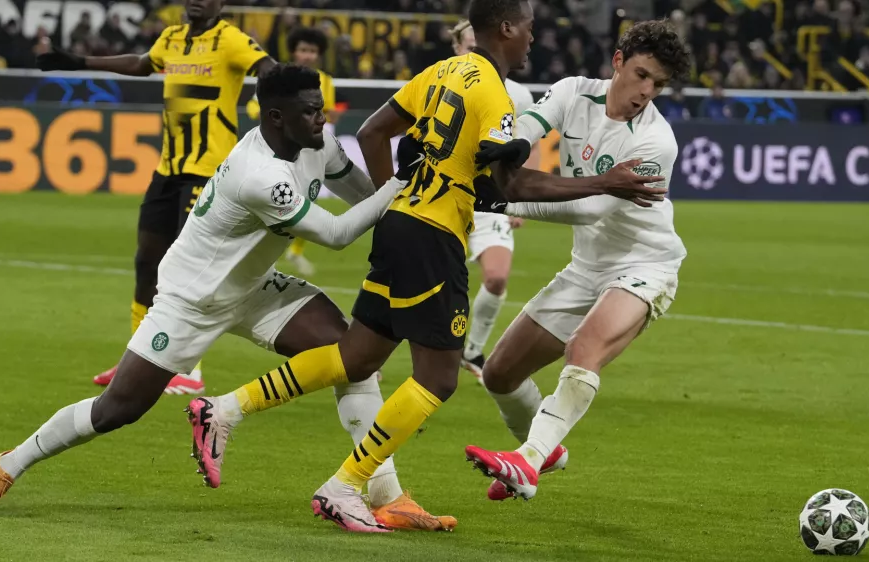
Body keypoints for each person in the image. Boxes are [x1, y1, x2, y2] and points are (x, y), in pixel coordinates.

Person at [186, 0, 669, 533]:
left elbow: (372, 132)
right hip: (435, 237)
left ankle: (225, 408)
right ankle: (346, 484)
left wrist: (391, 201)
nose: (534, 37)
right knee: (439, 378)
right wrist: (600, 181)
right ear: (506, 28)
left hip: (399, 224)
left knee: (356, 355)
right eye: (529, 26)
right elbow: (509, 184)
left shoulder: (442, 71)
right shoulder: (494, 92)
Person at [0, 66, 453, 533]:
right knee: (117, 409)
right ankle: (7, 465)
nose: (322, 119)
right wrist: (399, 182)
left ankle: (387, 498)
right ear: (275, 117)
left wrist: (405, 197)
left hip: (255, 287)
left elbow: (363, 195)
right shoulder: (258, 175)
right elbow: (340, 232)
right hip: (191, 299)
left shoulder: (316, 142)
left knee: (353, 360)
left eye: (320, 108)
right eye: (309, 111)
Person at [463, 20, 692, 502]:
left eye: (658, 84)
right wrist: (510, 147)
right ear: (618, 62)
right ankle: (543, 450)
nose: (646, 92)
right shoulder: (572, 93)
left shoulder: (656, 142)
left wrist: (501, 200)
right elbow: (526, 128)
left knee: (584, 348)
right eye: (642, 75)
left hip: (644, 265)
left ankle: (524, 463)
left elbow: (587, 207)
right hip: (586, 268)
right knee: (500, 373)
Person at [36, 0, 278, 395]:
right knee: (146, 262)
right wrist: (76, 61)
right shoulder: (172, 37)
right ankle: (136, 358)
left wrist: (269, 109)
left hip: (208, 172)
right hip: (167, 170)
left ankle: (189, 366)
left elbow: (268, 70)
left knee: (185, 270)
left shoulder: (231, 40)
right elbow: (141, 63)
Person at [449, 18, 541, 382]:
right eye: (468, 44)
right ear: (457, 48)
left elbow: (528, 145)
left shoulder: (518, 94)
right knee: (416, 280)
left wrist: (518, 194)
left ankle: (472, 350)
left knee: (498, 279)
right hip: (447, 197)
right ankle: (368, 356)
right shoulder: (442, 80)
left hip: (491, 203)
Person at [248, 26, 336, 278]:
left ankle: (294, 251)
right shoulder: (279, 78)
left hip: (310, 150)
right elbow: (254, 106)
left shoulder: (325, 81)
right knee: (273, 197)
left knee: (307, 200)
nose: (307, 55)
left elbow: (323, 113)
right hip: (280, 150)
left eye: (312, 51)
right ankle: (262, 248)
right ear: (294, 52)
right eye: (303, 50)